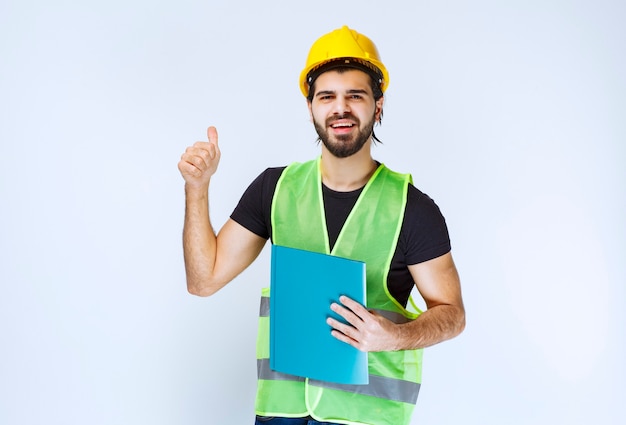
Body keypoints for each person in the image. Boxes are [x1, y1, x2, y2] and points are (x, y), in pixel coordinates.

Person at [178, 25, 465, 425]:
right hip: (280, 413)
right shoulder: (274, 189)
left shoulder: (412, 209)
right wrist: (197, 188)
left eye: (355, 96)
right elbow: (202, 280)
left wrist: (395, 337)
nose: (340, 108)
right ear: (311, 107)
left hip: (366, 418)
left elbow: (452, 314)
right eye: (327, 96)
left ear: (378, 106)